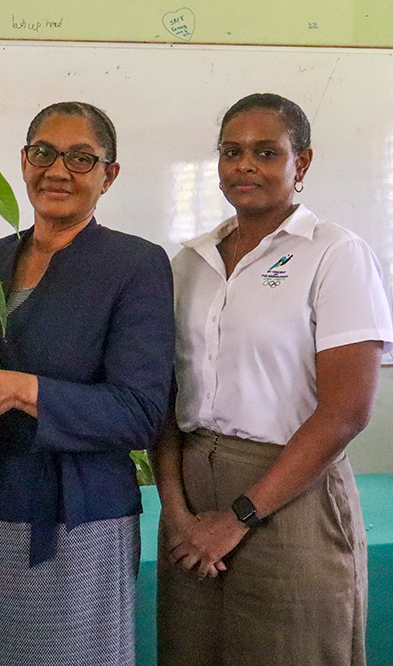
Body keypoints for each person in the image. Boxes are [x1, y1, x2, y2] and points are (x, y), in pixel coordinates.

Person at [0, 102, 175, 666]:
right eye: (44, 152)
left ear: (109, 175)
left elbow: (139, 413)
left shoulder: (135, 265)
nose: (58, 171)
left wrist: (19, 389)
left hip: (75, 523)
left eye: (81, 159)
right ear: (23, 160)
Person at [153, 93, 393, 665]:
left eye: (266, 152)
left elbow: (346, 411)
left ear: (301, 163)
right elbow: (164, 393)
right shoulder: (189, 263)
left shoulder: (335, 255)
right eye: (231, 152)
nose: (244, 166)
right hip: (189, 491)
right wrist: (177, 510)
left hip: (290, 492)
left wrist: (237, 518)